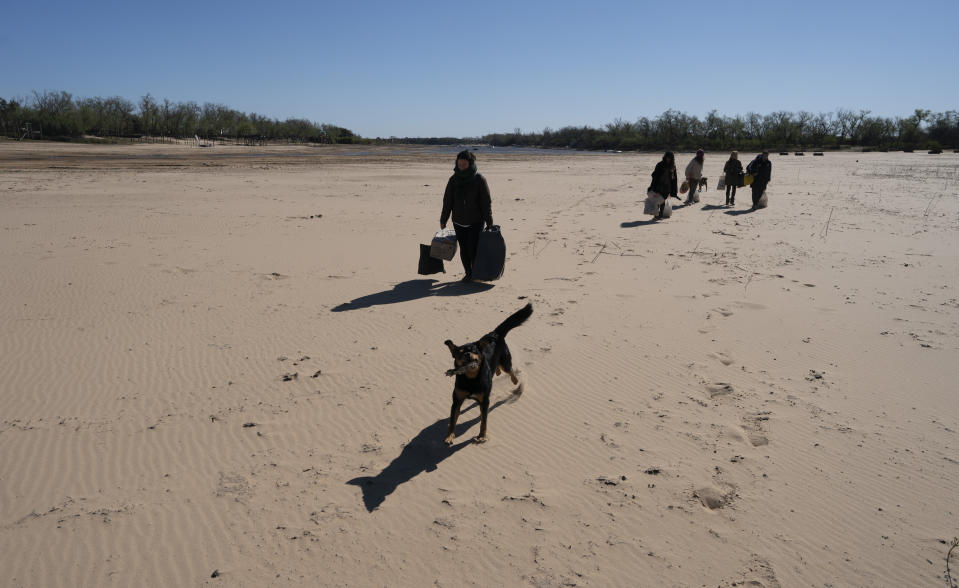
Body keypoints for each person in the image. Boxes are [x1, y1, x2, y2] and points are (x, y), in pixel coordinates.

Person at [440, 150, 493, 281]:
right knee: (464, 249)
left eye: (464, 164)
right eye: (459, 164)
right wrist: (443, 219)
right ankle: (468, 273)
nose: (462, 167)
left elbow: (486, 203)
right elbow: (447, 201)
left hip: (476, 221)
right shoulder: (453, 180)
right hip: (458, 221)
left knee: (473, 248)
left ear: (470, 163)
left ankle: (476, 272)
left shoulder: (479, 179)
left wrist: (489, 221)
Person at [648, 151, 679, 219]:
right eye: (668, 157)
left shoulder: (673, 166)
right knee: (658, 200)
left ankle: (660, 214)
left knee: (662, 200)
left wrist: (674, 191)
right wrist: (653, 186)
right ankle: (657, 215)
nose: (668, 159)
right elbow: (654, 175)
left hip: (667, 186)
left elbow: (674, 179)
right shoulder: (660, 164)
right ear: (665, 157)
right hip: (659, 185)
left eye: (670, 158)